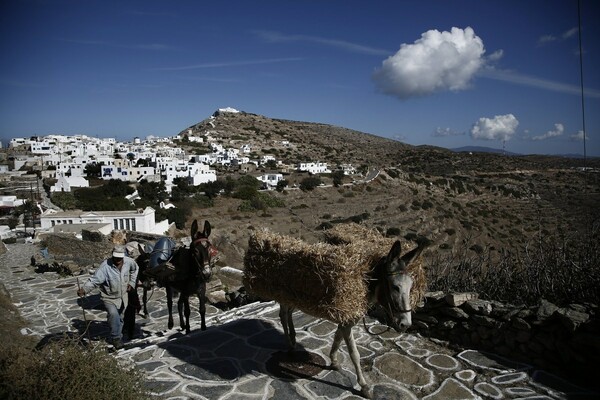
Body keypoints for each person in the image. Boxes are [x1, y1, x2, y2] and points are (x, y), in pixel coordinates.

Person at [77, 244, 139, 349]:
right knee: (113, 314)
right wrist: (84, 289)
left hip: (123, 297)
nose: (118, 260)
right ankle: (116, 338)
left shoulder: (129, 262)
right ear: (112, 255)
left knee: (120, 318)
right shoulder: (105, 267)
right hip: (109, 297)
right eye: (116, 257)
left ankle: (117, 333)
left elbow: (135, 269)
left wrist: (132, 283)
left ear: (123, 256)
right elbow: (94, 280)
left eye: (120, 257)